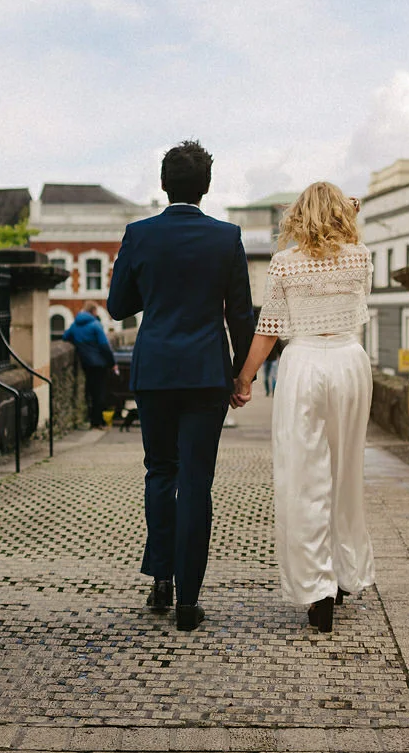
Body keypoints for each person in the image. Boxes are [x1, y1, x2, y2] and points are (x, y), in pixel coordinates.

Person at [107, 140, 256, 632]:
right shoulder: (226, 237)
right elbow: (239, 313)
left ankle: (161, 580)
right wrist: (240, 373)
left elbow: (116, 306)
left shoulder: (139, 234)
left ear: (164, 183)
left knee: (159, 472)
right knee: (197, 482)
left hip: (154, 372)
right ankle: (189, 600)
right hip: (205, 374)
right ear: (206, 187)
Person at [231, 182, 374, 633]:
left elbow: (268, 329)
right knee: (345, 473)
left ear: (297, 217)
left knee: (304, 477)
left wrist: (245, 378)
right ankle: (347, 572)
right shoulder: (360, 258)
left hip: (305, 365)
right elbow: (351, 256)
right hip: (351, 365)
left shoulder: (285, 265)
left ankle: (317, 589)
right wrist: (351, 212)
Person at [61, 302, 115, 429]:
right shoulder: (96, 325)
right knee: (100, 393)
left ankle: (92, 420)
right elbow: (104, 346)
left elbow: (65, 337)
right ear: (93, 312)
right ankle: (98, 422)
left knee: (90, 392)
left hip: (86, 364)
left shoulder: (75, 325)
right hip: (100, 364)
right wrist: (112, 363)